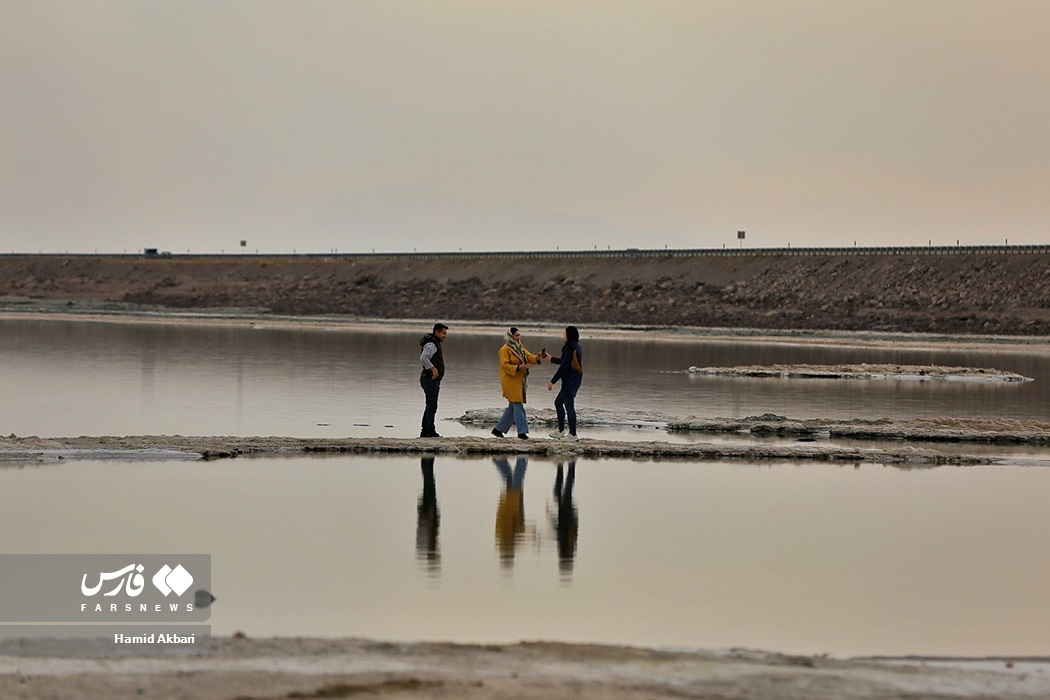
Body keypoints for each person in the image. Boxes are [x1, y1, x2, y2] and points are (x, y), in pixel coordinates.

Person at [490, 327, 547, 439]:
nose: (518, 337)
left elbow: (529, 357)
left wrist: (538, 357)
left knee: (512, 407)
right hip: (510, 381)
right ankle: (522, 432)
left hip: (519, 381)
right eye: (516, 335)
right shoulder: (505, 350)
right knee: (518, 406)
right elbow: (505, 366)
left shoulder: (520, 347)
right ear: (511, 336)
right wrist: (520, 367)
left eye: (519, 335)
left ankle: (498, 430)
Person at [547, 325, 584, 441]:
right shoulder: (576, 345)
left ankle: (573, 434)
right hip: (575, 379)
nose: (563, 335)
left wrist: (552, 381)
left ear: (569, 335)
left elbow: (564, 367)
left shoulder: (568, 346)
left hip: (570, 381)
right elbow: (565, 361)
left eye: (564, 333)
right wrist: (551, 358)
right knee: (558, 403)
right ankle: (561, 431)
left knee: (569, 406)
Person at [418, 323, 448, 438]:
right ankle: (430, 430)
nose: (445, 336)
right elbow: (424, 358)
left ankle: (425, 430)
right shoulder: (431, 344)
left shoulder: (434, 343)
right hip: (429, 379)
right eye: (443, 333)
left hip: (431, 380)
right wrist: (434, 369)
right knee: (432, 405)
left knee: (430, 405)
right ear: (437, 333)